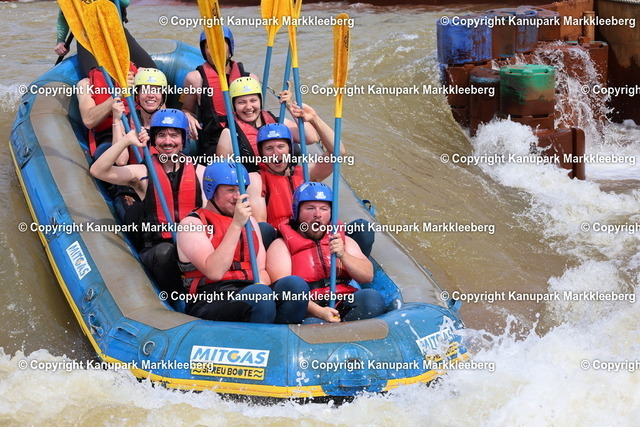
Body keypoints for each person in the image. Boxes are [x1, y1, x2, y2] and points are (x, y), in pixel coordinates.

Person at [90, 109, 204, 301]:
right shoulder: (142, 172)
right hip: (157, 250)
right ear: (154, 140)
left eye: (174, 135)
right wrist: (127, 140)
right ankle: (177, 300)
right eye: (161, 135)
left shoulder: (200, 172)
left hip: (190, 248)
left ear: (184, 139)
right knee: (165, 252)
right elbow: (98, 170)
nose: (167, 141)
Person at [176, 161, 309, 323]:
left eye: (241, 189)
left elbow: (261, 271)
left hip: (250, 292)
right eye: (231, 190)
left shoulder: (250, 222)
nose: (238, 196)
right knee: (259, 295)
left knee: (295, 286)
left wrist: (263, 292)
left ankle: (283, 334)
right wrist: (236, 225)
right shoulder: (192, 224)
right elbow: (214, 272)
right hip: (210, 298)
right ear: (211, 191)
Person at [266, 182, 386, 323]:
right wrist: (320, 312)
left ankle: (344, 329)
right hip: (308, 312)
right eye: (310, 208)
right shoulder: (281, 246)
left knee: (372, 299)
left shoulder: (343, 240)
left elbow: (367, 276)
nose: (317, 214)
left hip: (341, 302)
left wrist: (343, 255)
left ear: (330, 214)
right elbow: (285, 293)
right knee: (313, 323)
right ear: (297, 212)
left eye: (324, 209)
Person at [216, 76, 319, 222]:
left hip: (287, 185)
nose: (248, 107)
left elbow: (311, 138)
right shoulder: (229, 134)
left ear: (260, 101)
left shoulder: (277, 121)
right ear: (233, 105)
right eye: (241, 102)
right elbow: (221, 175)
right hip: (258, 194)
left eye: (253, 100)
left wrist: (290, 106)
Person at [182, 28, 256, 156]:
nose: (215, 50)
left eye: (221, 44)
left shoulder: (250, 79)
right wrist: (188, 116)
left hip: (247, 139)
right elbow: (187, 109)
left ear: (230, 48)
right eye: (209, 46)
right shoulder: (194, 79)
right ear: (204, 51)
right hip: (214, 143)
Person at [55, 0, 156, 78]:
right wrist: (60, 40)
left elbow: (125, 2)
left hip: (116, 31)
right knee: (95, 76)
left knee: (151, 70)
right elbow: (64, 16)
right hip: (87, 37)